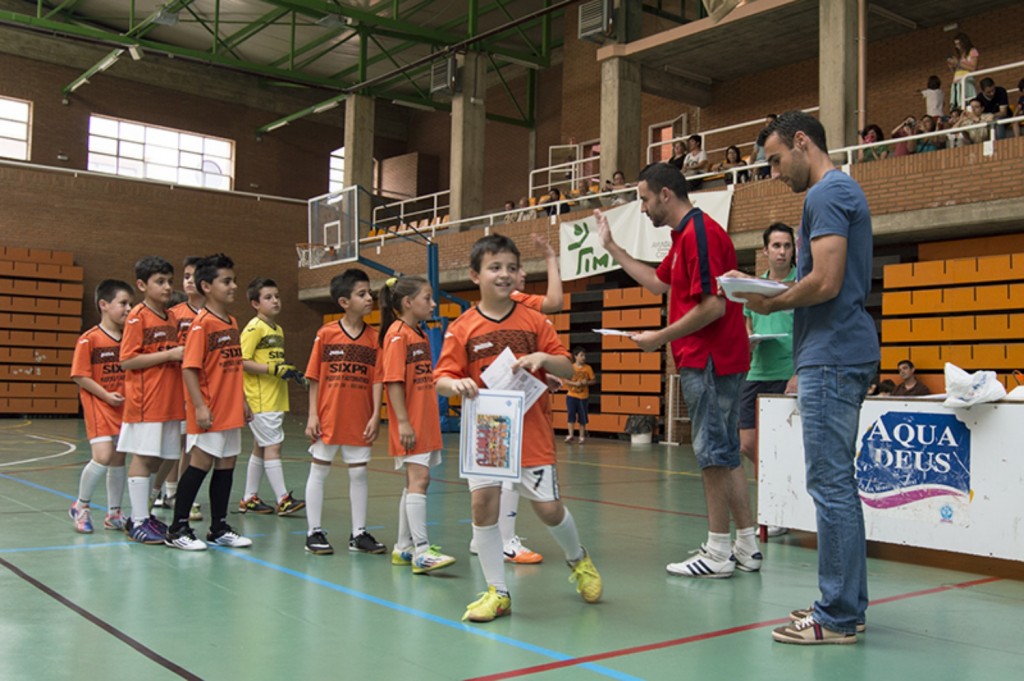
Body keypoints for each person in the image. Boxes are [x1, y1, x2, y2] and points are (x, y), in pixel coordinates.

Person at [739, 110, 879, 644]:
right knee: (836, 483)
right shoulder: (836, 193)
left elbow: (824, 280)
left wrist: (767, 299)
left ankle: (838, 615)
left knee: (830, 484)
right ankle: (846, 605)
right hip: (836, 350)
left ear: (802, 142)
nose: (774, 171)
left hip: (834, 353)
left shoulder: (825, 195)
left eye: (776, 159)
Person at [596, 163, 759, 580]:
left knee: (711, 454)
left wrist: (660, 336)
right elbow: (656, 282)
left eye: (645, 198)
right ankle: (746, 545)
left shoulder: (700, 235)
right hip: (714, 357)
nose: (643, 207)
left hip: (710, 358)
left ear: (666, 194)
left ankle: (718, 551)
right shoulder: (686, 236)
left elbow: (714, 306)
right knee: (726, 453)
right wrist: (612, 247)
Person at [435, 233, 603, 623]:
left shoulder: (534, 319)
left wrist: (544, 356)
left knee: (548, 509)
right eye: (495, 267)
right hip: (488, 431)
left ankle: (578, 559)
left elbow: (566, 367)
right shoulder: (462, 327)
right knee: (483, 506)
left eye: (511, 267)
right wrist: (456, 385)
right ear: (475, 275)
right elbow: (441, 377)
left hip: (532, 430)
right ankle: (498, 591)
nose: (505, 274)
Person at [165, 253, 253, 551]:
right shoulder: (202, 325)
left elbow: (234, 364)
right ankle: (177, 528)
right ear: (206, 286)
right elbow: (189, 368)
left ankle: (218, 527)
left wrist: (241, 400)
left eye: (233, 280)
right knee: (199, 465)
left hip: (230, 408)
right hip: (210, 409)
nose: (233, 287)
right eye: (226, 281)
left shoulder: (231, 321)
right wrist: (200, 406)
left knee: (227, 465)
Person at [302, 269, 386, 556]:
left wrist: (376, 415)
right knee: (319, 471)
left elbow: (377, 379)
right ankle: (313, 531)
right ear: (344, 301)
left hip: (359, 418)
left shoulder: (374, 338)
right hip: (327, 417)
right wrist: (312, 415)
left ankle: (358, 533)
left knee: (359, 473)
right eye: (361, 294)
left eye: (369, 293)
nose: (369, 298)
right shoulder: (326, 334)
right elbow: (313, 376)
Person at [379, 275, 456, 574]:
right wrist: (403, 423)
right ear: (408, 302)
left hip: (423, 420)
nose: (433, 303)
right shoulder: (398, 335)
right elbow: (393, 382)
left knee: (413, 482)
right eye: (427, 297)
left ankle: (403, 547)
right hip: (410, 421)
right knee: (419, 481)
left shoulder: (419, 334)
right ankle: (422, 551)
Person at [117, 256, 185, 544]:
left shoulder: (170, 317)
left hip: (170, 400)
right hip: (147, 400)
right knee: (144, 458)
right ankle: (137, 520)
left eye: (169, 281)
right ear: (142, 285)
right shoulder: (137, 317)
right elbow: (127, 360)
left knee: (165, 457)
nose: (167, 287)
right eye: (160, 282)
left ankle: (142, 515)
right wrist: (170, 355)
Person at [739, 223, 796, 539]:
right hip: (756, 372)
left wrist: (798, 373)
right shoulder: (756, 285)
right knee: (748, 443)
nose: (782, 252)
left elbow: (808, 330)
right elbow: (748, 319)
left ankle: (778, 509)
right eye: (776, 246)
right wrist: (749, 337)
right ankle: (778, 495)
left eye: (787, 246)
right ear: (765, 251)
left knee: (781, 446)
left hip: (786, 373)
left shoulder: (801, 283)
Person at [68, 279, 133, 533]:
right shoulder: (89, 339)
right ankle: (81, 506)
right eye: (123, 303)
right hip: (99, 404)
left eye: (131, 304)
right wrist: (105, 395)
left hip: (123, 406)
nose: (128, 309)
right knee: (103, 456)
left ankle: (114, 513)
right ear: (104, 305)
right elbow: (80, 376)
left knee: (118, 458)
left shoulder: (129, 338)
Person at [238, 277, 306, 516]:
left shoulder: (277, 329)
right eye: (268, 297)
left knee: (261, 447)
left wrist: (286, 370)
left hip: (276, 395)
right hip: (260, 398)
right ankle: (283, 498)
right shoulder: (254, 328)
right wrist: (272, 370)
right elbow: (242, 361)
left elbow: (272, 360)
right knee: (274, 446)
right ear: (255, 303)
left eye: (276, 296)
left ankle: (249, 498)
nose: (275, 300)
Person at [156, 256, 205, 523]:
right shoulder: (174, 314)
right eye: (185, 276)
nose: (187, 281)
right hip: (174, 386)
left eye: (193, 276)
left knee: (191, 445)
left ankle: (180, 494)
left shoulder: (213, 316)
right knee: (171, 445)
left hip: (200, 388)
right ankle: (165, 493)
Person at [564, 347, 595, 444]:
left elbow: (593, 381)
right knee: (571, 415)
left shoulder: (588, 368)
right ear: (575, 356)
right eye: (581, 355)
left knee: (582, 417)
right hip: (571, 395)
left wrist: (587, 382)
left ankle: (581, 436)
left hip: (583, 396)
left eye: (584, 355)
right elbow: (565, 380)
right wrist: (574, 384)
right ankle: (570, 435)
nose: (583, 357)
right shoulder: (571, 367)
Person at [946, 32, 978, 109]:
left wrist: (958, 63)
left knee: (967, 103)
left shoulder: (972, 51)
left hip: (966, 81)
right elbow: (955, 71)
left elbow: (973, 68)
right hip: (957, 81)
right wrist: (951, 66)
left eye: (958, 44)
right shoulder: (960, 55)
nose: (957, 46)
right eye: (955, 44)